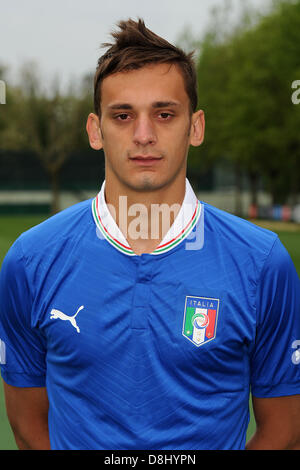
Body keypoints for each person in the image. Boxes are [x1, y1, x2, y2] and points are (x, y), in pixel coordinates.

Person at [0, 18, 300, 451]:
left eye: (164, 114)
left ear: (195, 127)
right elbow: (28, 427)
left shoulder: (261, 263)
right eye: (122, 116)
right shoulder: (30, 261)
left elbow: (285, 432)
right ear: (95, 130)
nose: (144, 135)